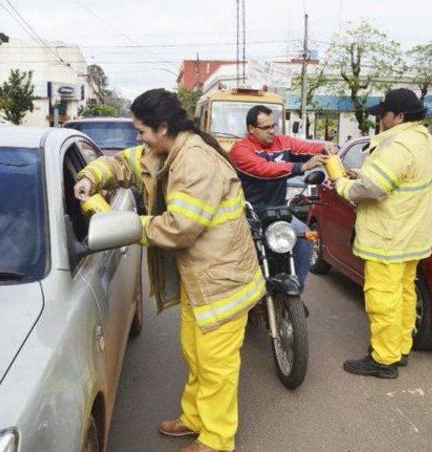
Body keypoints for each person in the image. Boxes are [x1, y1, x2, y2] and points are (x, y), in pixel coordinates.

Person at [74, 88, 265, 452]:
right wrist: (89, 177)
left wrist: (127, 225)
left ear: (162, 128)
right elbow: (123, 163)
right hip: (201, 280)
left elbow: (181, 227)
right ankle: (195, 418)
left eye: (142, 131)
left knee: (216, 367)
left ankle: (217, 439)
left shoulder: (194, 162)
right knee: (195, 353)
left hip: (222, 283)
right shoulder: (165, 150)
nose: (138, 138)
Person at [331, 88, 432, 379]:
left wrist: (342, 184)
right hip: (410, 237)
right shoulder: (422, 140)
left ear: (399, 116)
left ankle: (383, 360)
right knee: (403, 294)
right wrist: (363, 175)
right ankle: (399, 349)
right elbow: (393, 180)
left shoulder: (398, 146)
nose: (380, 120)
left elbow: (373, 189)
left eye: (384, 115)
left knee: (382, 298)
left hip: (388, 238)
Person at [230, 105, 336, 292]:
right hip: (247, 214)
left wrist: (324, 147)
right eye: (266, 128)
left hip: (277, 212)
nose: (272, 131)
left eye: (274, 125)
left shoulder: (282, 142)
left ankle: (295, 291)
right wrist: (300, 167)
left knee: (304, 235)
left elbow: (305, 147)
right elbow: (263, 170)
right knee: (235, 255)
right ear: (251, 129)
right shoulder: (240, 150)